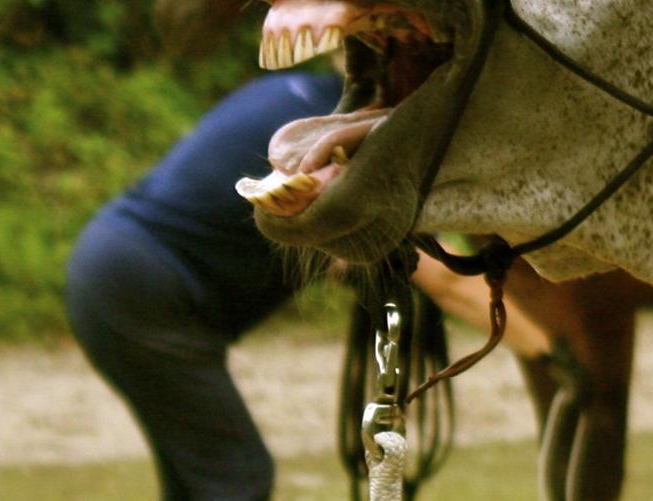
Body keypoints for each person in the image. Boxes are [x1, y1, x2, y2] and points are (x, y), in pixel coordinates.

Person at [66, 70, 552, 500]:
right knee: (238, 479)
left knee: (197, 482)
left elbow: (329, 254)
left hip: (112, 269)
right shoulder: (336, 148)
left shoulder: (295, 106)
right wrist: (549, 353)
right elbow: (444, 280)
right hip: (143, 288)